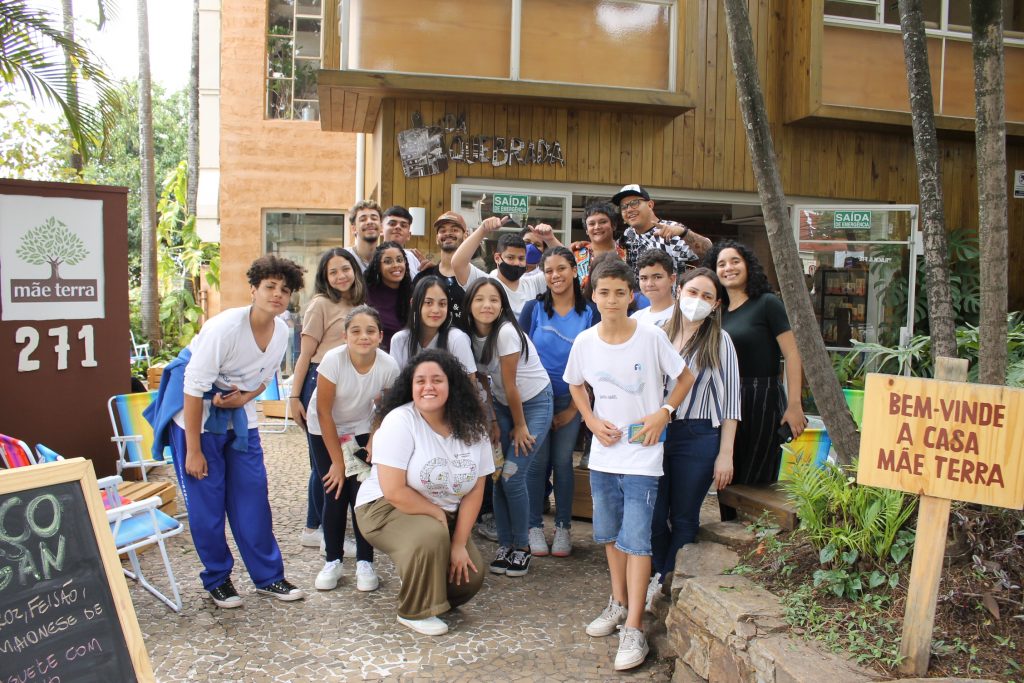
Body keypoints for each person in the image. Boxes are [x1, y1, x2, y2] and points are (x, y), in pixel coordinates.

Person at [145, 255, 307, 607]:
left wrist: (243, 398)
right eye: (270, 287)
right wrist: (192, 450)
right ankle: (217, 579)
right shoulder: (225, 328)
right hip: (196, 419)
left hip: (239, 418)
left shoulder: (281, 330)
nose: (277, 295)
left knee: (253, 497)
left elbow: (265, 378)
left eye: (285, 289)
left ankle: (269, 577)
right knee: (207, 505)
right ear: (253, 289)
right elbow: (192, 385)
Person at [563, 258, 693, 671]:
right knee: (608, 534)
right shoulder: (584, 341)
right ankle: (618, 603)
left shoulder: (651, 337)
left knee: (637, 541)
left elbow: (685, 377)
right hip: (603, 455)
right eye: (604, 292)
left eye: (620, 292)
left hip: (643, 455)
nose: (613, 299)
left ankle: (634, 626)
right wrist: (589, 419)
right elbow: (575, 383)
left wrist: (664, 413)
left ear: (630, 295)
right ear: (594, 294)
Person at [354, 349, 494, 636]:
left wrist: (458, 543)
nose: (428, 387)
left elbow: (476, 488)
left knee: (471, 576)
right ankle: (414, 611)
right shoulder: (399, 421)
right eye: (420, 381)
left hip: (444, 511)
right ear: (411, 387)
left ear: (452, 385)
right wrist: (436, 515)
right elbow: (393, 490)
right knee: (431, 534)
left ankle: (427, 587)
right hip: (384, 506)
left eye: (437, 380)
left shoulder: (474, 427)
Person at [649, 267, 740, 601]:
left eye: (707, 296)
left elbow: (731, 402)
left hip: (698, 436)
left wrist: (725, 454)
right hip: (657, 434)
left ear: (716, 305)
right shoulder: (656, 333)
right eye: (692, 292)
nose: (698, 301)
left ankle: (666, 583)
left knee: (685, 516)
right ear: (679, 292)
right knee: (654, 515)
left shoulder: (721, 341)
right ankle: (658, 573)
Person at [704, 240, 807, 520]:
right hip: (726, 397)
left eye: (735, 261)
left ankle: (756, 538)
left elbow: (793, 353)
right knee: (727, 469)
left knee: (757, 474)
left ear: (748, 264)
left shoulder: (767, 304)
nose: (729, 268)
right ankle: (729, 527)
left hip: (762, 396)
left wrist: (795, 404)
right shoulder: (717, 311)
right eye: (721, 264)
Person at [305, 305, 400, 593]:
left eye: (370, 331)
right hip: (324, 429)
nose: (363, 336)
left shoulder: (388, 365)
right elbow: (323, 412)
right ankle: (332, 560)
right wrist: (337, 462)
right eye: (355, 331)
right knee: (334, 491)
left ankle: (364, 562)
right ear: (345, 336)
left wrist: (373, 439)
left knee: (361, 494)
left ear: (380, 336)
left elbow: (386, 408)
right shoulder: (333, 361)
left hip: (361, 429)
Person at [465, 277, 553, 578]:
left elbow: (512, 385)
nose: (486, 305)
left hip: (533, 404)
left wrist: (519, 426)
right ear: (469, 304)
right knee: (498, 476)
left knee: (513, 476)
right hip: (503, 406)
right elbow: (484, 383)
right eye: (479, 299)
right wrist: (491, 419)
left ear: (503, 305)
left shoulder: (504, 332)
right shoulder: (470, 335)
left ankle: (522, 547)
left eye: (493, 299)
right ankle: (505, 545)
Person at [519, 246, 599, 558]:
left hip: (573, 397)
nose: (555, 276)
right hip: (537, 397)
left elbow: (595, 364)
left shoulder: (591, 311)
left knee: (563, 462)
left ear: (574, 271)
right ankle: (533, 525)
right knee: (537, 462)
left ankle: (564, 526)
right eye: (548, 270)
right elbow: (521, 357)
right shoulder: (533, 309)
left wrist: (574, 409)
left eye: (561, 269)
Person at [290, 248, 366, 550]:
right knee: (323, 462)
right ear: (325, 278)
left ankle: (325, 526)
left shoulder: (359, 303)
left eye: (345, 269)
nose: (340, 276)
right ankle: (317, 528)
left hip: (350, 383)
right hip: (320, 380)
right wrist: (294, 396)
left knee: (346, 457)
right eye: (333, 272)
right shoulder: (320, 305)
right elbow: (305, 355)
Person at [453, 217, 547, 318]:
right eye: (510, 257)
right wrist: (482, 230)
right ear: (497, 258)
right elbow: (458, 263)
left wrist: (550, 239)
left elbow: (565, 265)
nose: (516, 263)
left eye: (521, 258)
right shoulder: (485, 282)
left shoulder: (534, 284)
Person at [611, 184, 711, 278]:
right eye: (624, 207)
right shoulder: (627, 236)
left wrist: (683, 233)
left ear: (650, 205)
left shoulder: (672, 229)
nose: (628, 210)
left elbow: (709, 252)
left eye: (634, 203)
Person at [390, 276, 477, 382]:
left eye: (442, 304)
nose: (436, 310)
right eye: (428, 303)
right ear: (414, 304)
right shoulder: (399, 340)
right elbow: (395, 386)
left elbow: (470, 384)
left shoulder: (457, 339)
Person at [412, 211, 486, 331]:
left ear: (465, 235)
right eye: (442, 230)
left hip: (466, 346)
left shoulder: (475, 277)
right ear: (437, 238)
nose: (448, 234)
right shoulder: (424, 276)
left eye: (454, 229)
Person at [364, 241, 412, 352]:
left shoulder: (414, 293)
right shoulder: (367, 293)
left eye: (399, 260)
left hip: (408, 360)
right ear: (378, 266)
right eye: (388, 261)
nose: (396, 265)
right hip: (376, 359)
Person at [570, 202, 627, 292]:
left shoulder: (628, 253)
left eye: (603, 222)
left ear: (614, 226)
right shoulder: (575, 256)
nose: (597, 227)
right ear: (586, 230)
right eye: (592, 224)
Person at [382, 205, 434, 278]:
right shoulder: (372, 256)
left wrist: (430, 274)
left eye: (403, 225)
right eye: (392, 224)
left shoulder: (414, 258)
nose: (398, 227)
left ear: (409, 235)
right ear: (381, 229)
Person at [631, 248, 677, 329]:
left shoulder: (683, 315)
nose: (649, 284)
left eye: (657, 277)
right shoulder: (635, 319)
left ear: (672, 279)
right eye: (644, 278)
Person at [345, 200, 382, 272]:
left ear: (381, 226)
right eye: (363, 219)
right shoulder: (343, 257)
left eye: (374, 218)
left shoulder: (387, 258)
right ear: (353, 228)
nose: (369, 222)